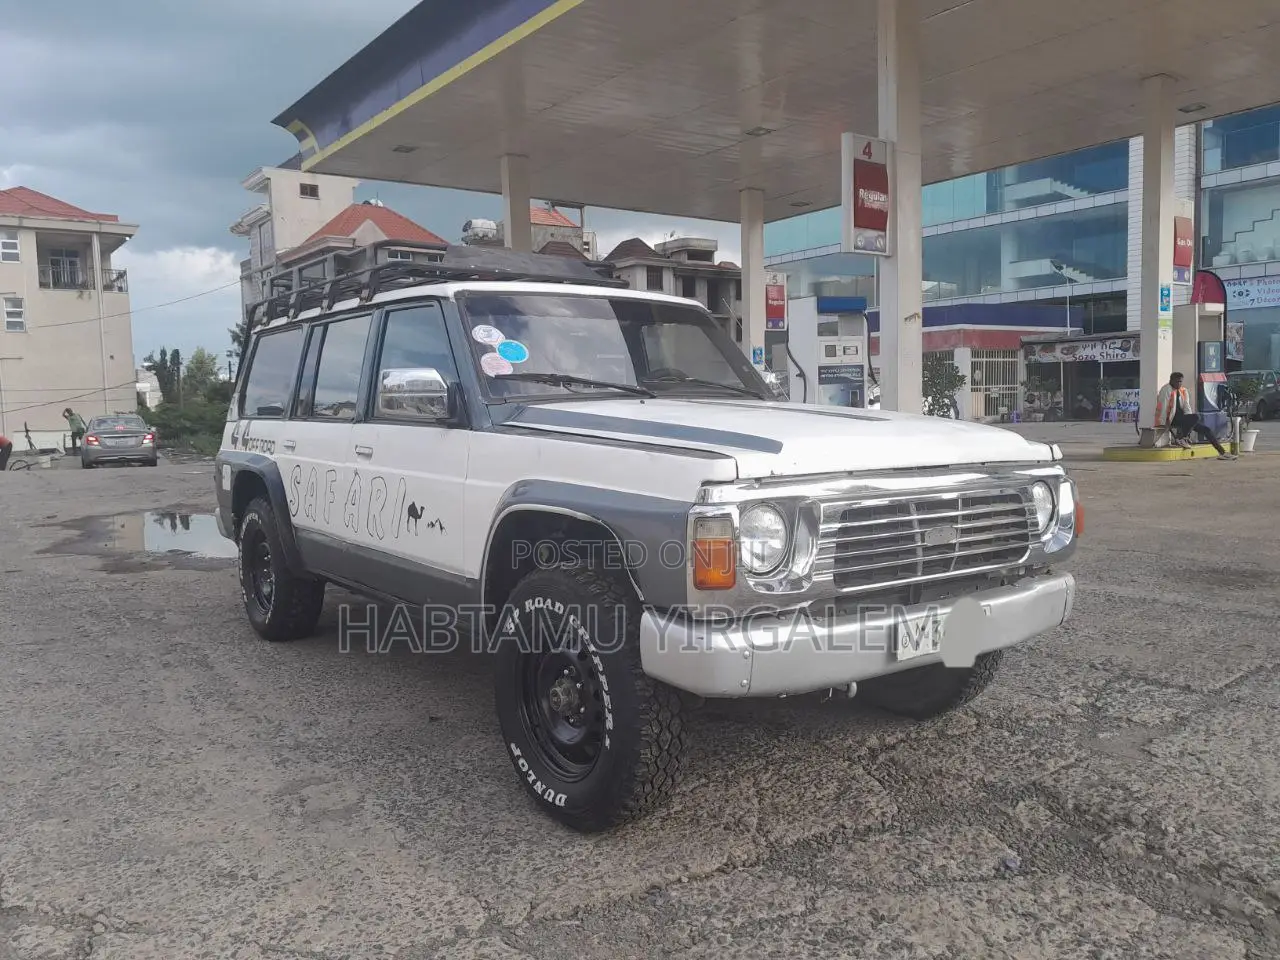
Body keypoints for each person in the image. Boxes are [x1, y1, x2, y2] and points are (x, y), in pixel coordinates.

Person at [1156, 372, 1236, 460]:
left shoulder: (1183, 391)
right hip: (1172, 419)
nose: (1179, 384)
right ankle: (1181, 438)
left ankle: (1222, 452)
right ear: (1171, 381)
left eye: (1180, 382)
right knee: (1196, 417)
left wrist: (1191, 423)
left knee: (1206, 429)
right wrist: (1162, 423)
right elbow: (1162, 407)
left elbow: (1187, 407)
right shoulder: (1166, 390)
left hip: (1182, 418)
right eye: (1177, 382)